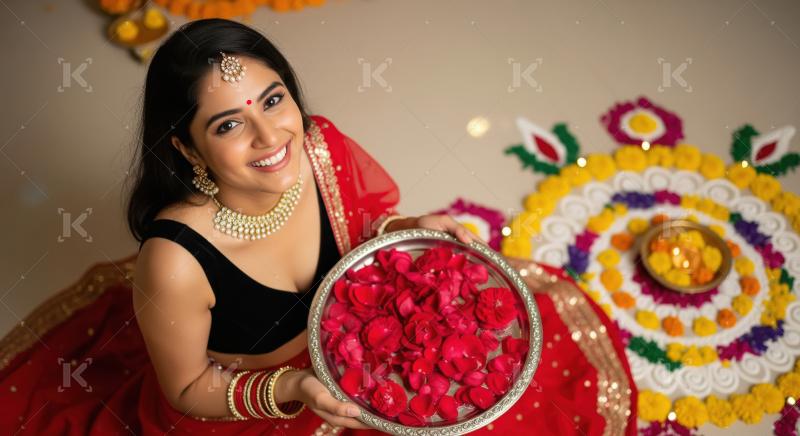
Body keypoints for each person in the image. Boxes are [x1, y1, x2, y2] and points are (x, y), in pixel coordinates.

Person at [0, 19, 637, 435]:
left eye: (274, 100)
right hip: (258, 402)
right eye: (227, 125)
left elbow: (362, 228)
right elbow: (188, 388)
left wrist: (411, 228)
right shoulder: (175, 262)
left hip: (367, 353)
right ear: (187, 151)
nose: (270, 136)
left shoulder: (318, 149)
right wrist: (296, 387)